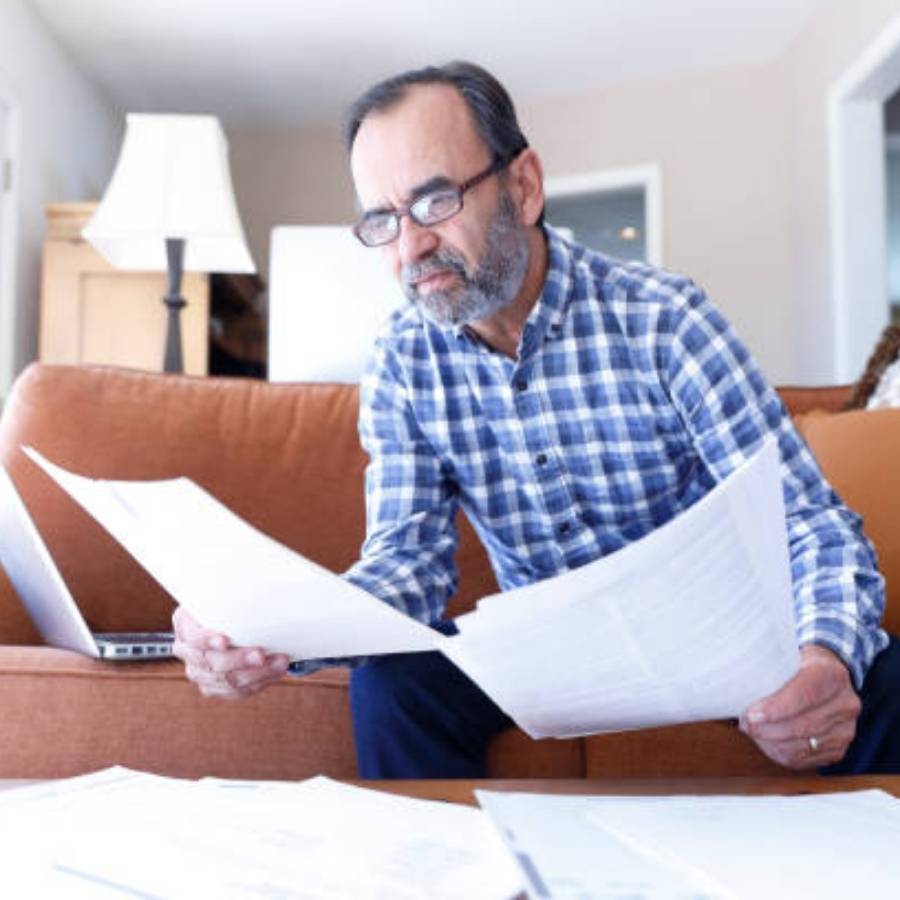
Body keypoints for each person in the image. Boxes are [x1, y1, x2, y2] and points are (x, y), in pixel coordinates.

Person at [173, 61, 900, 778]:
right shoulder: (401, 361)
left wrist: (825, 656)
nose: (410, 247)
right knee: (393, 687)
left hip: (716, 636)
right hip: (548, 652)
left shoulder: (664, 319)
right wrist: (274, 632)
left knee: (884, 678)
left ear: (523, 186)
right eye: (383, 220)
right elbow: (407, 566)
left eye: (434, 202)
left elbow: (809, 521)